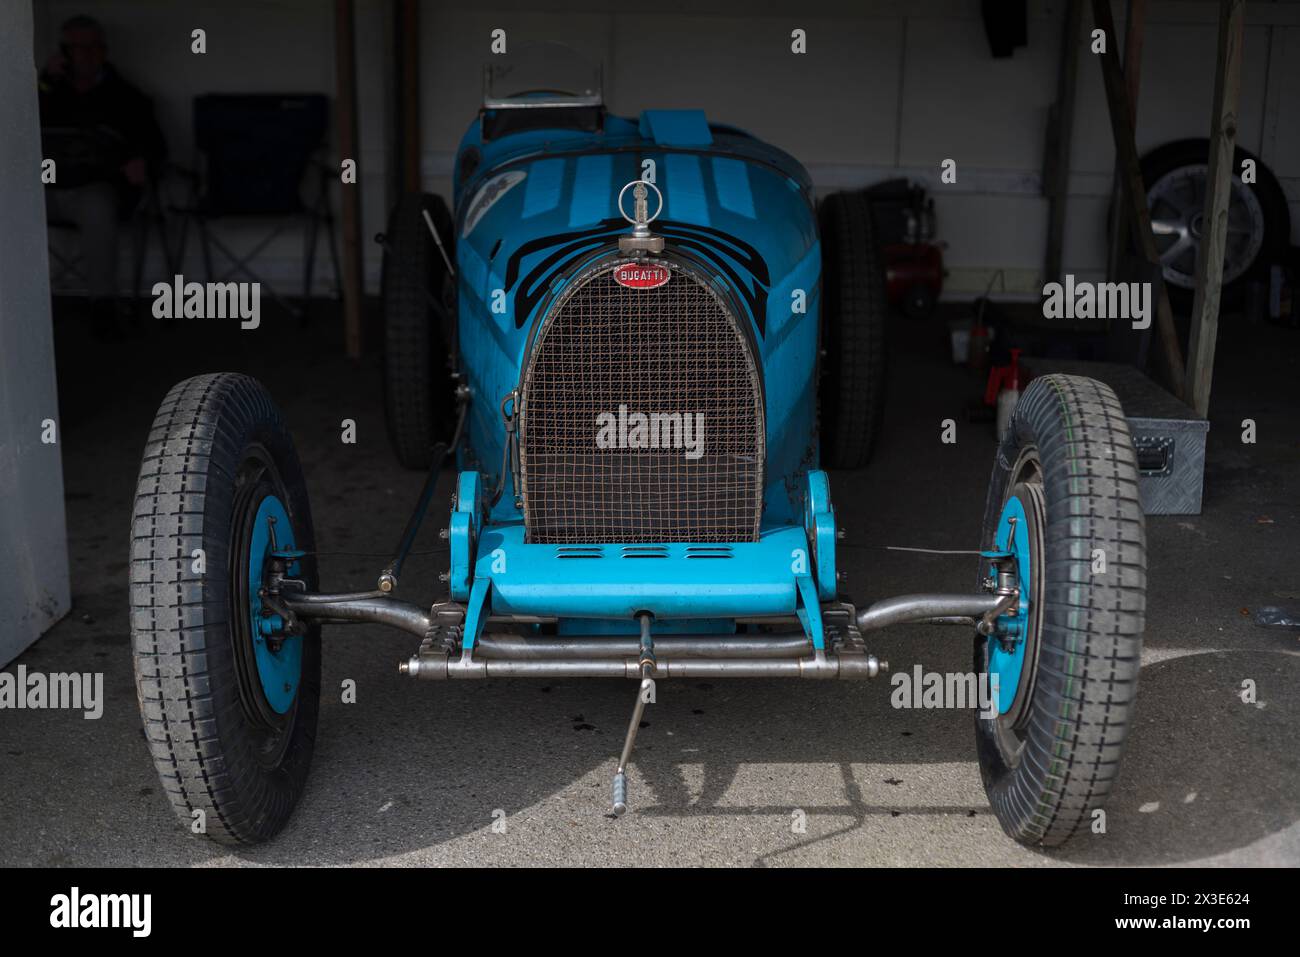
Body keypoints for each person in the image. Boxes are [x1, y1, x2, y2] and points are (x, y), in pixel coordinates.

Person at [40, 15, 165, 336]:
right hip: (44, 188)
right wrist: (44, 82)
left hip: (94, 190)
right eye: (77, 48)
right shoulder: (45, 92)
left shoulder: (127, 97)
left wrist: (142, 163)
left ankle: (102, 304)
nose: (86, 54)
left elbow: (156, 149)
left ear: (105, 51)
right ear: (64, 52)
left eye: (94, 47)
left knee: (96, 204)